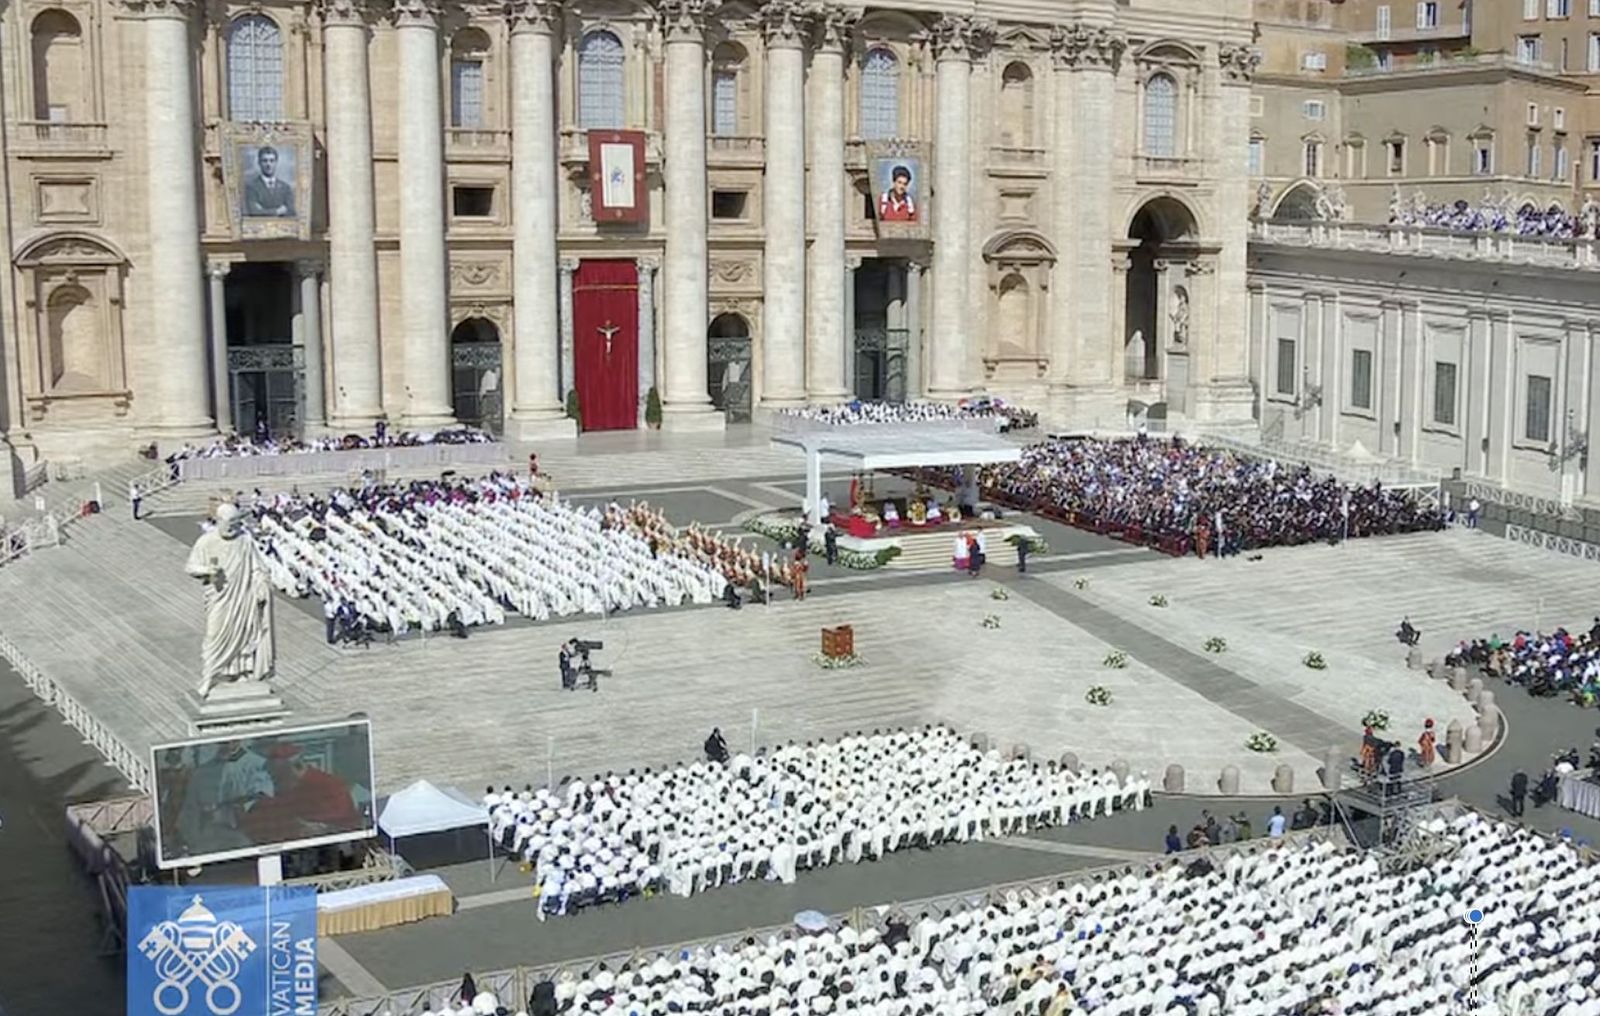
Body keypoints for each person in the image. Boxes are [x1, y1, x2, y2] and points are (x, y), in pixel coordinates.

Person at [244, 145, 295, 217]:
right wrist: (277, 211)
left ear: (276, 163)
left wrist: (263, 210)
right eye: (265, 161)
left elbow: (291, 212)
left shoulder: (285, 188)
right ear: (259, 163)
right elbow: (254, 212)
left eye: (272, 161)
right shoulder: (251, 187)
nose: (268, 164)